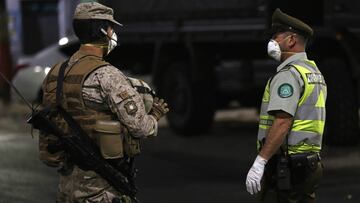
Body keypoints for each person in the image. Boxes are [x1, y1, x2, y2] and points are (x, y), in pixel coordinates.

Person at [38, 2, 169, 203]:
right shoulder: (106, 75)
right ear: (103, 31)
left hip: (66, 187)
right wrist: (155, 115)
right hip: (99, 188)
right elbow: (141, 128)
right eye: (111, 28)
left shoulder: (56, 73)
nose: (113, 33)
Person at [245, 8, 327, 203]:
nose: (273, 41)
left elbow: (282, 121)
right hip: (309, 165)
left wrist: (260, 161)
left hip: (287, 168)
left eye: (277, 35)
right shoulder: (313, 72)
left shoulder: (288, 76)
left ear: (291, 40)